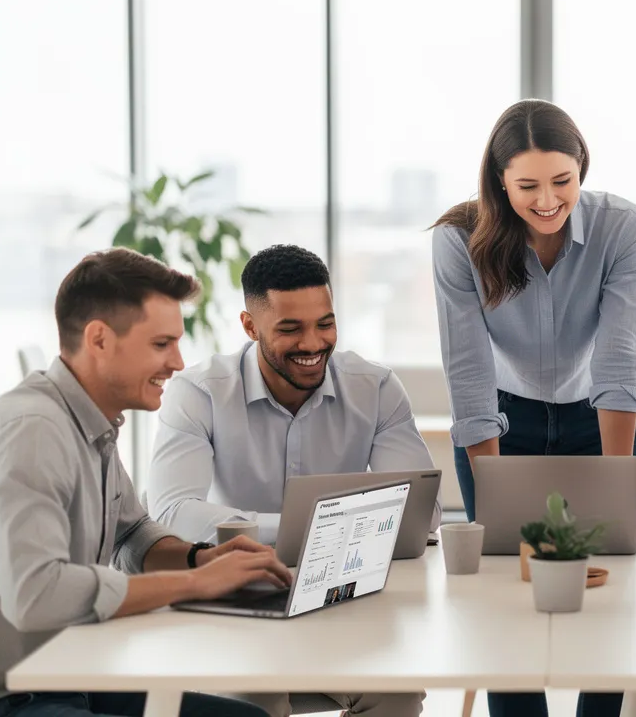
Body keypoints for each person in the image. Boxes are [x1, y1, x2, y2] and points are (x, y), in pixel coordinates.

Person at [0, 248, 290, 717]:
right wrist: (194, 582)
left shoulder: (93, 424)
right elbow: (38, 595)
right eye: (161, 344)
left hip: (60, 672)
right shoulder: (32, 430)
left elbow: (132, 532)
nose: (177, 361)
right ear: (99, 339)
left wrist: (200, 557)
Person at [431, 99, 636, 717]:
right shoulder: (459, 240)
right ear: (499, 181)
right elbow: (469, 374)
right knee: (507, 592)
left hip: (596, 419)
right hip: (503, 420)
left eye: (563, 181)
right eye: (527, 185)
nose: (548, 200)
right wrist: (496, 500)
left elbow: (617, 364)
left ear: (582, 167)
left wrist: (615, 490)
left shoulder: (623, 228)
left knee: (610, 592)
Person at [146, 244, 430, 717]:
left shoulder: (375, 387)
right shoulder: (198, 393)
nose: (313, 343)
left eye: (325, 323)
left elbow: (419, 512)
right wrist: (309, 526)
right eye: (291, 328)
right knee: (254, 696)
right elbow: (173, 513)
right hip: (238, 606)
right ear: (250, 327)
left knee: (398, 694)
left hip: (343, 602)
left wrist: (298, 529)